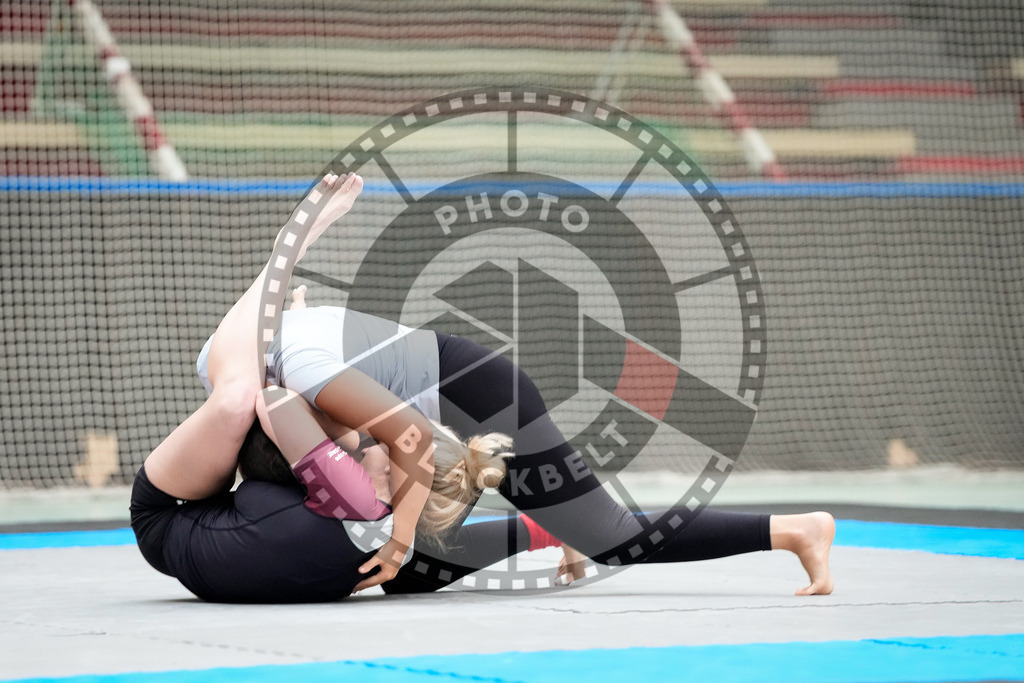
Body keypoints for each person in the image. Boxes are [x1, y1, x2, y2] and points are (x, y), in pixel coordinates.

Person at [196, 173, 837, 597]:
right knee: (414, 553)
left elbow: (413, 440)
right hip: (442, 386)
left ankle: (795, 530)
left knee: (606, 534)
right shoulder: (241, 367)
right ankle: (544, 528)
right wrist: (310, 231)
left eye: (339, 443)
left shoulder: (305, 375)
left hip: (483, 390)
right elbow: (274, 283)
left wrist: (395, 540)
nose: (345, 447)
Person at [129, 172, 518, 603]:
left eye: (386, 448)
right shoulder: (383, 547)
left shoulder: (354, 494)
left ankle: (286, 251)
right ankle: (290, 321)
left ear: (393, 473)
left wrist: (342, 420)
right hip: (210, 538)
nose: (376, 442)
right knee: (293, 392)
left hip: (168, 514)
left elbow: (272, 400)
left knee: (240, 399)